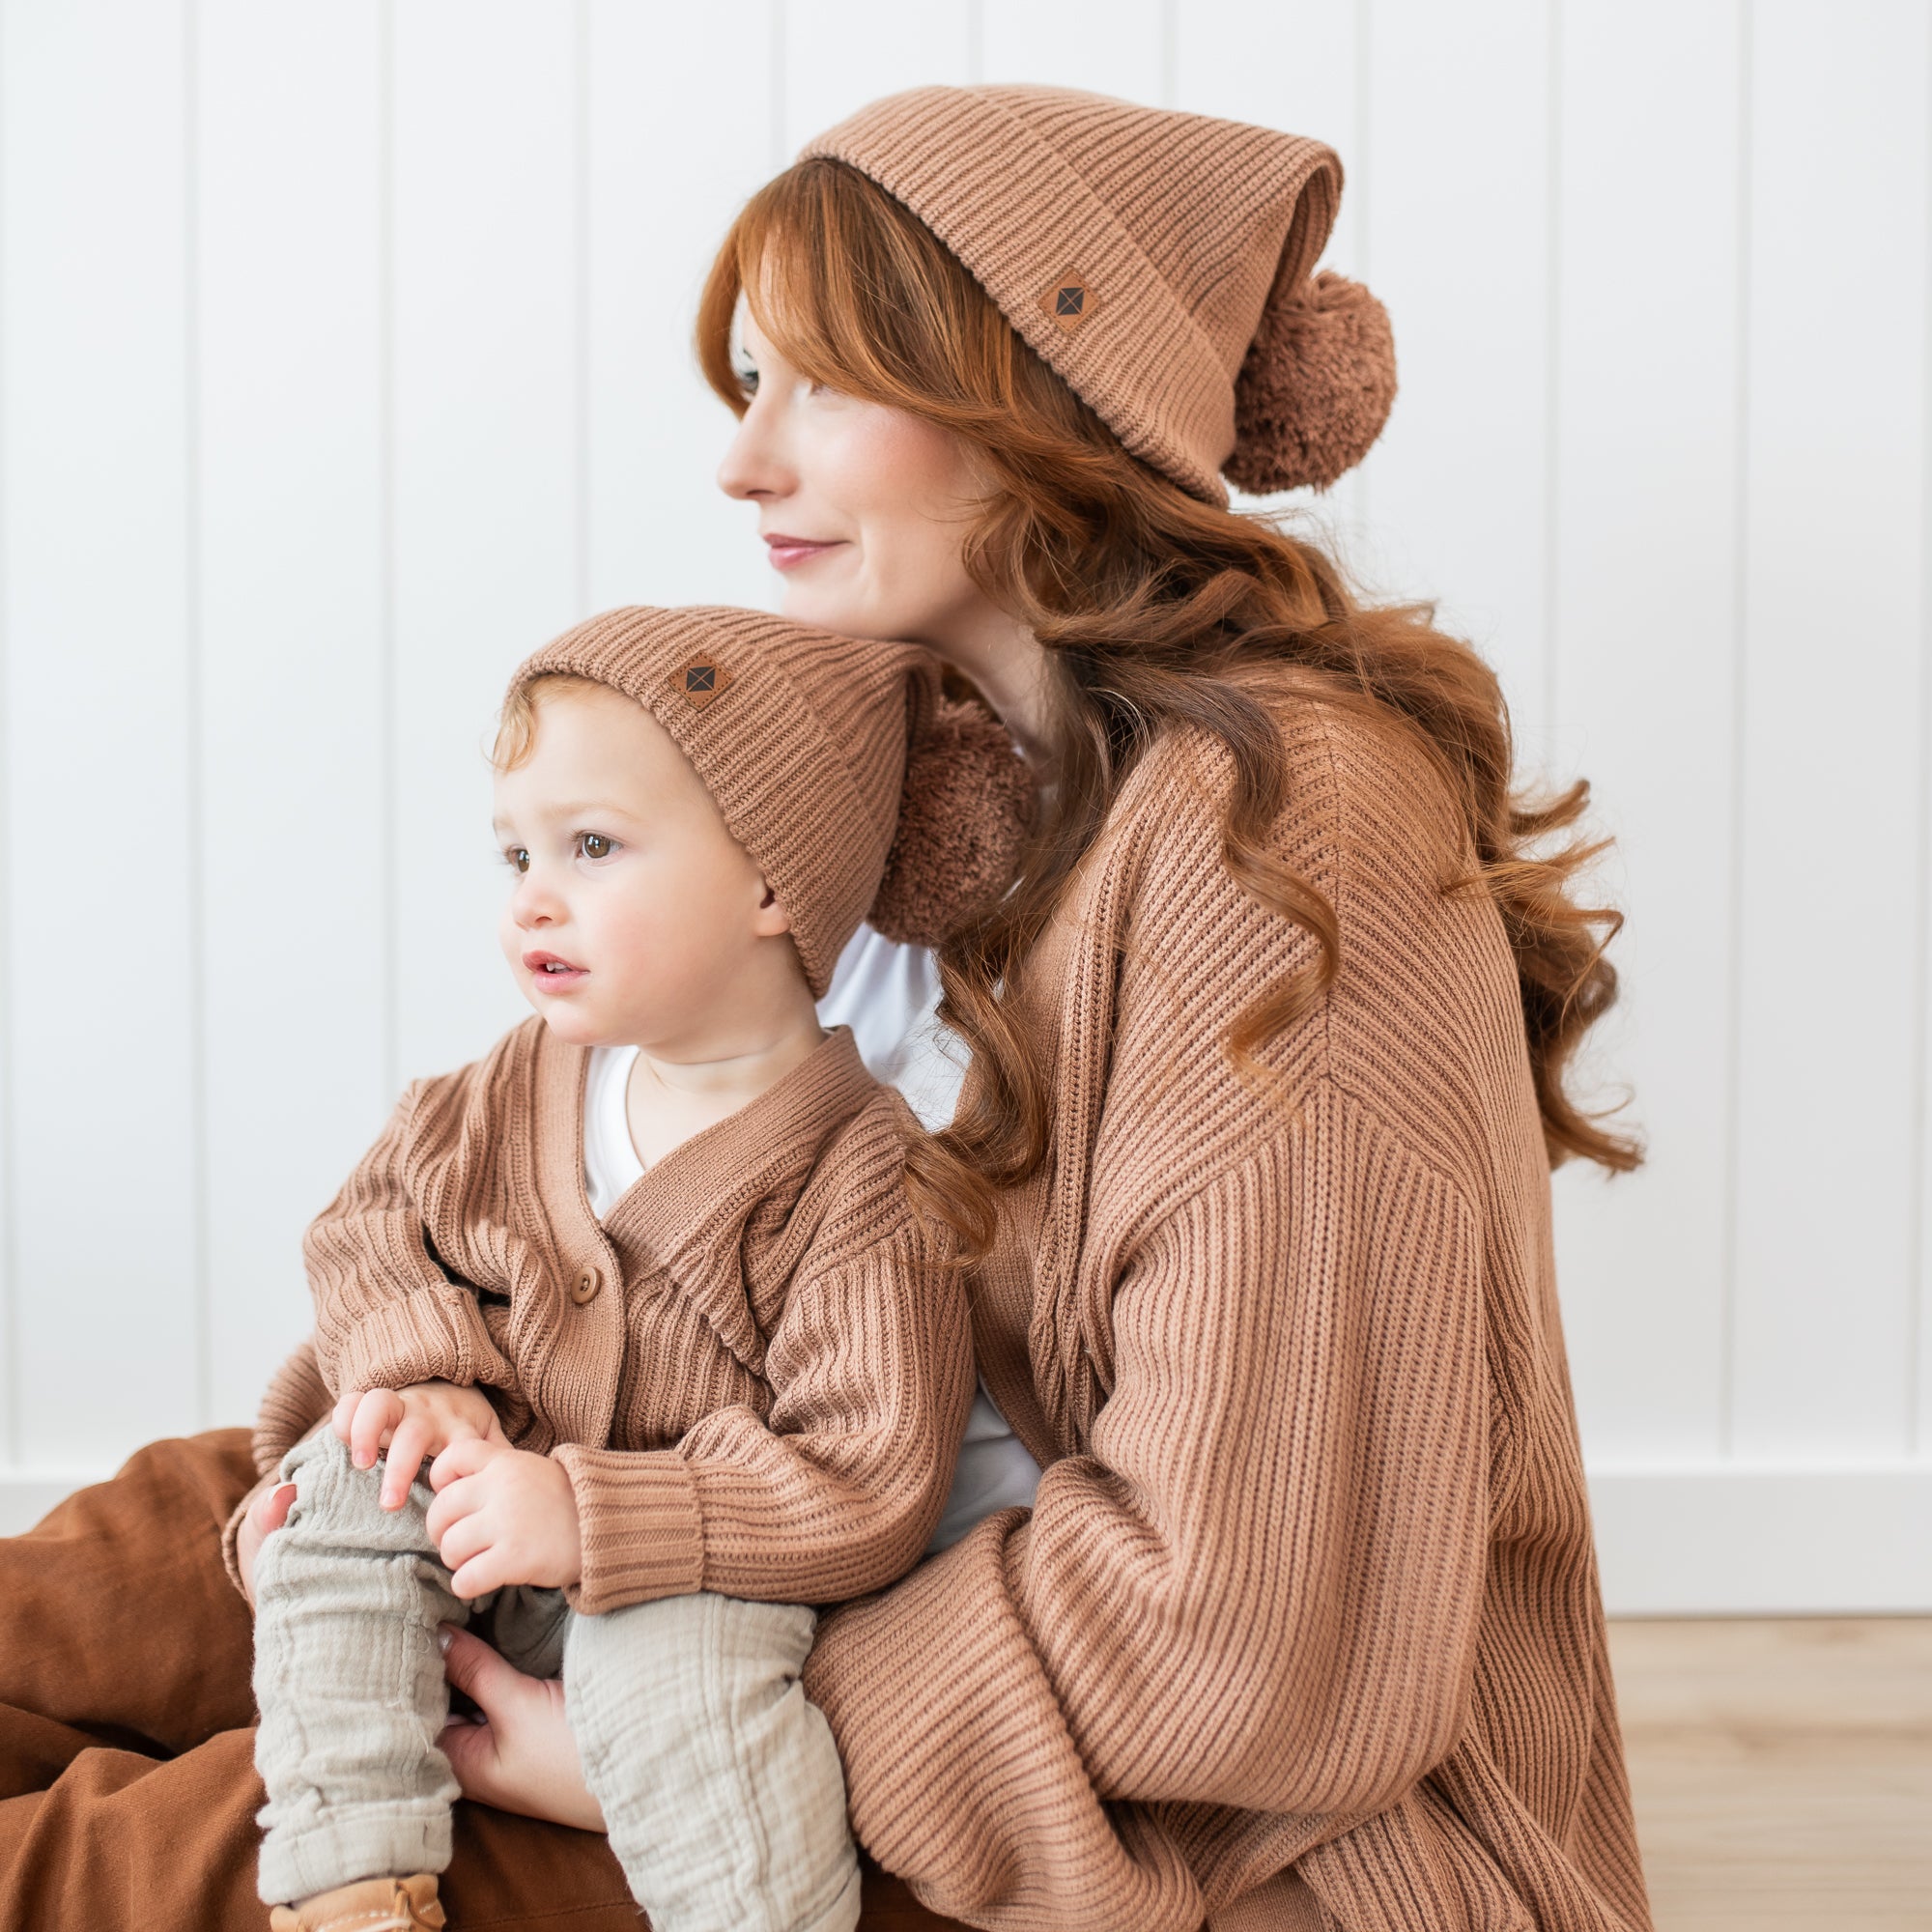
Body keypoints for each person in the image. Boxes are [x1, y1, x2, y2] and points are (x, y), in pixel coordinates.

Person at [0, 86, 1651, 1932]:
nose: (742, 463)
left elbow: (1246, 1623)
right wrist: (436, 1418)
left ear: (1048, 412)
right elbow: (561, 1167)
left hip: (1089, 1792)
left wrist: (656, 1739)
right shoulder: (919, 774)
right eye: (747, 384)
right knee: (133, 1569)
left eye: (823, 387)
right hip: (706, 1518)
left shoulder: (1278, 847)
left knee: (160, 1860)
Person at [242, 603, 1030, 1932]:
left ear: (772, 884)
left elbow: (869, 1476)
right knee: (345, 1485)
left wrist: (599, 1521)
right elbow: (371, 1224)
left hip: (690, 1572)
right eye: (517, 855)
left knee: (685, 1686)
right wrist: (431, 1379)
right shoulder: (519, 1083)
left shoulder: (862, 1180)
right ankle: (349, 1885)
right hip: (488, 1519)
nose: (531, 899)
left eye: (592, 848)